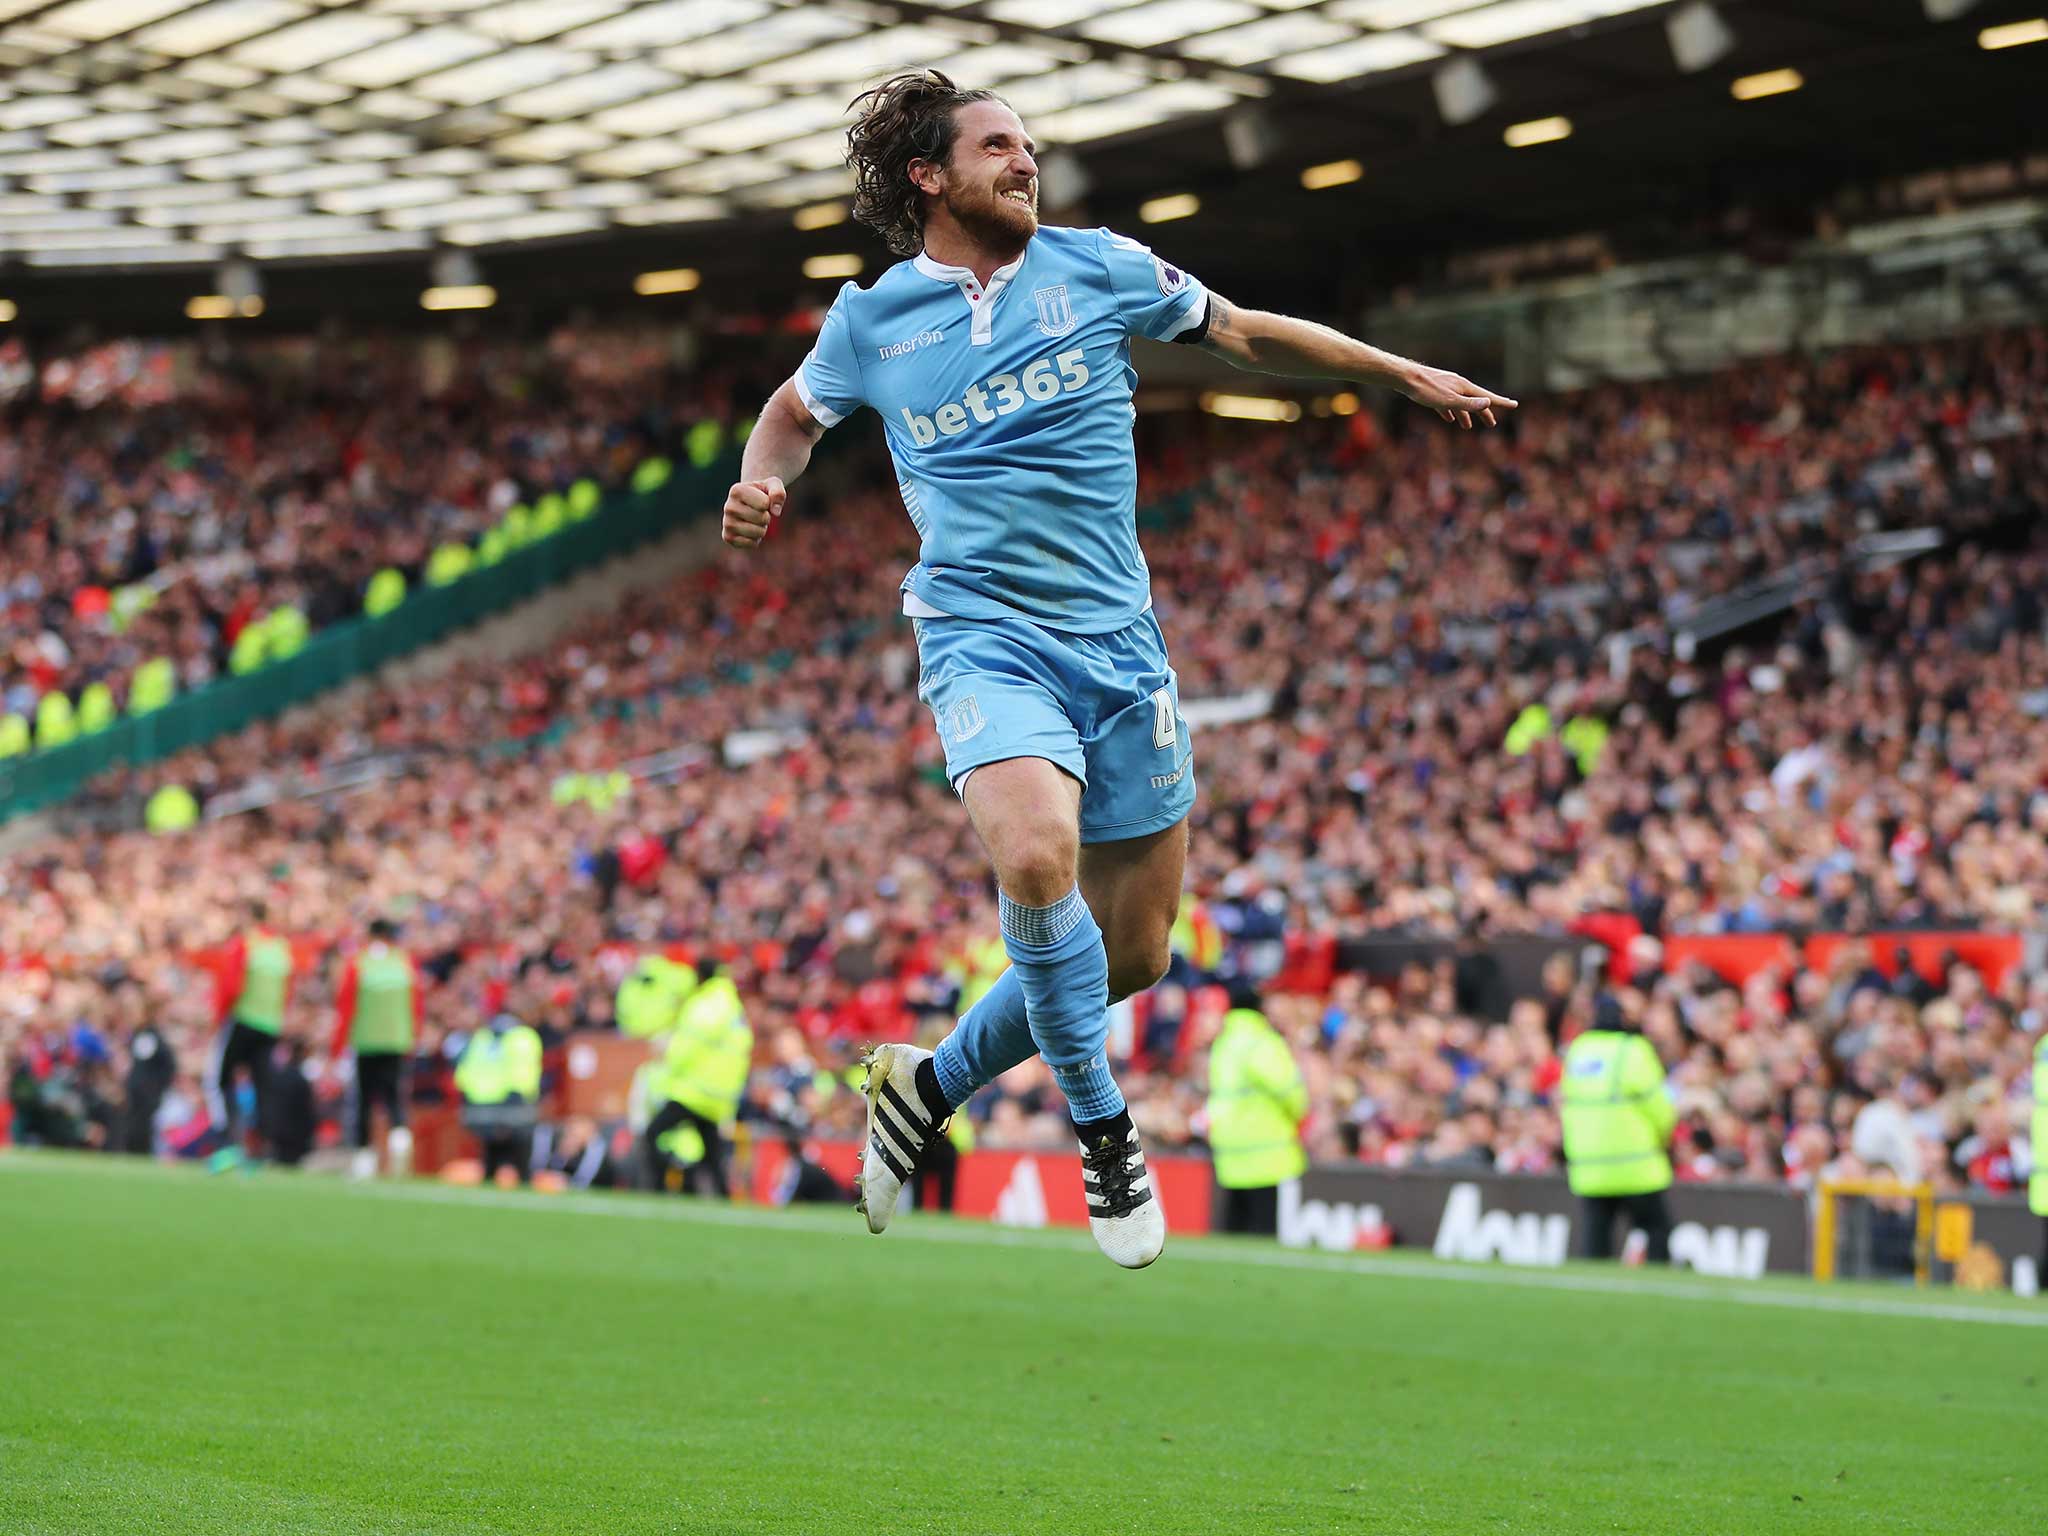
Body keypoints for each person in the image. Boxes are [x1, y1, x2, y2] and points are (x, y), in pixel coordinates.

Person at [722, 69, 1515, 1268]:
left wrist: (1392, 370)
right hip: (980, 630)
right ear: (928, 177)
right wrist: (763, 478)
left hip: (1119, 649)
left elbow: (1243, 334)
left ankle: (924, 1086)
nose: (1024, 160)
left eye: (1029, 145)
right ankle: (1104, 1135)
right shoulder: (870, 321)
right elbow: (791, 412)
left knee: (1132, 956)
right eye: (996, 147)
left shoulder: (1096, 266)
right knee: (1035, 857)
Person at [1559, 996, 1676, 1262]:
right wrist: (1665, 1135)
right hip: (1636, 1164)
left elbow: (1568, 1102)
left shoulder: (1578, 1049)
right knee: (1657, 1229)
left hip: (1589, 1165)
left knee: (1596, 1238)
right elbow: (1658, 1106)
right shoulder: (1632, 1049)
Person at [642, 970, 752, 1197]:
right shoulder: (733, 1008)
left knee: (652, 1134)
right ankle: (723, 1197)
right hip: (719, 1098)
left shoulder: (705, 1005)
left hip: (693, 1092)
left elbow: (687, 1047)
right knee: (712, 1155)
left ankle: (661, 1185)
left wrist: (670, 1067)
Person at [1205, 997, 1309, 1236]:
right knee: (1264, 1231)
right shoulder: (1262, 1042)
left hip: (1229, 1149)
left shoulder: (1223, 1043)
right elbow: (1288, 1090)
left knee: (1234, 1233)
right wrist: (1298, 1114)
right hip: (1266, 1150)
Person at [330, 918, 424, 1178]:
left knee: (364, 1100)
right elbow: (417, 1006)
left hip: (366, 1040)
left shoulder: (359, 963)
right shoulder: (405, 963)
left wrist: (337, 1047)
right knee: (394, 1098)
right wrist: (413, 1038)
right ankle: (400, 1146)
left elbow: (346, 1007)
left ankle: (364, 1158)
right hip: (397, 1040)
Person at [206, 901, 297, 1157]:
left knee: (223, 1079)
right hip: (270, 1026)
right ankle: (263, 1145)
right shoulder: (281, 949)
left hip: (244, 1020)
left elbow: (230, 987)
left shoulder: (245, 943)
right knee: (263, 1085)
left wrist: (219, 1020)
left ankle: (230, 1139)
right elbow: (287, 992)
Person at [455, 1009, 544, 1186]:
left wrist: (468, 1097)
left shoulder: (482, 1037)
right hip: (512, 1101)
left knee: (492, 1145)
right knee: (518, 1144)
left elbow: (465, 1070)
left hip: (480, 1101)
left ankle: (491, 1175)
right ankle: (523, 1178)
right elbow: (524, 1071)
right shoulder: (523, 1037)